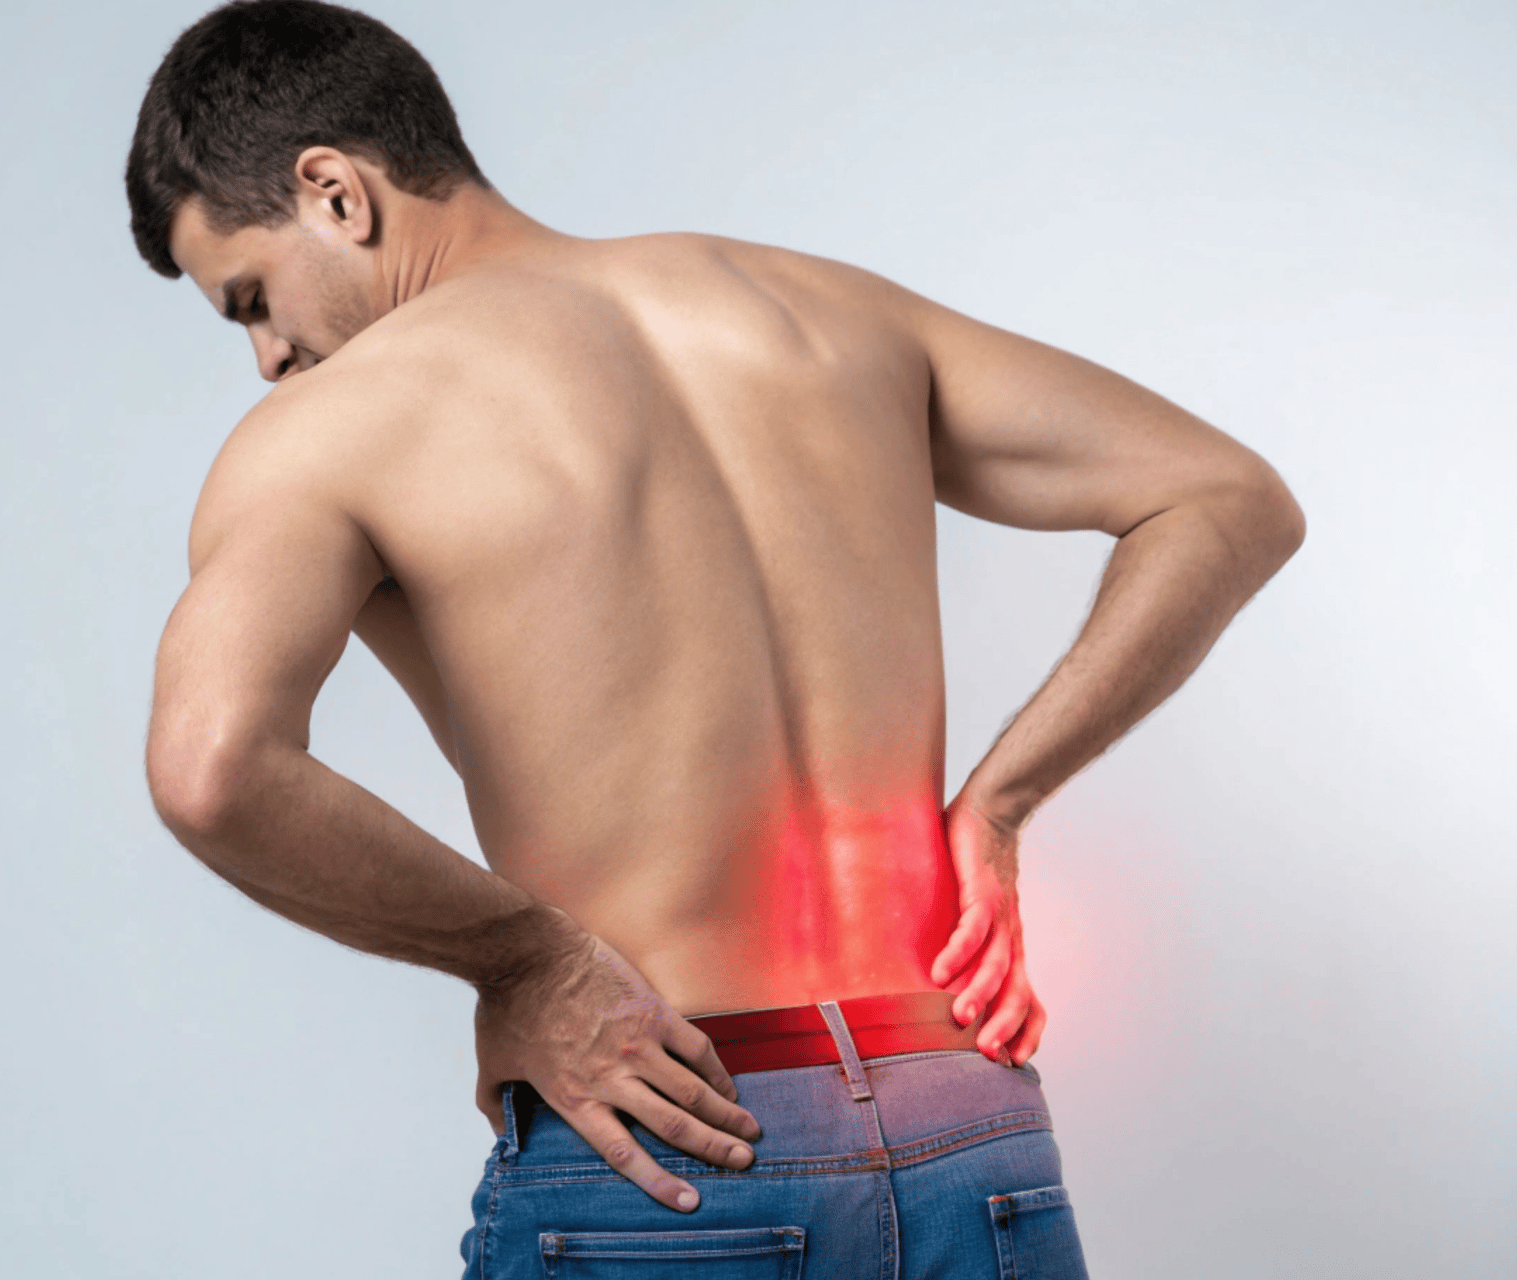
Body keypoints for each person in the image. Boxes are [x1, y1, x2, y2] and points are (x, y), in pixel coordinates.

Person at [125, 3, 1304, 1276]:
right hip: (974, 1117)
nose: (265, 356)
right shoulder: (823, 310)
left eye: (250, 295)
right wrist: (998, 804)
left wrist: (526, 960)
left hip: (681, 1140)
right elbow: (1227, 497)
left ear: (335, 191)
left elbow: (210, 765)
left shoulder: (337, 422)